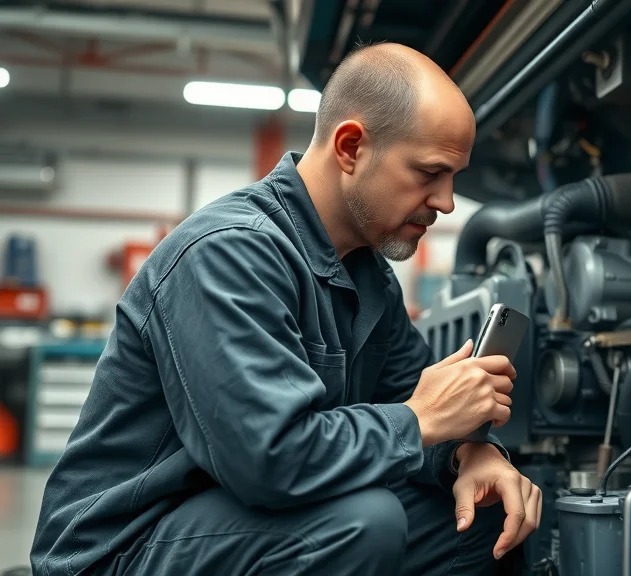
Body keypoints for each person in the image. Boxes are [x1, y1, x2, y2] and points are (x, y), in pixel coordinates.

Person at [30, 42, 541, 575]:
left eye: (454, 177)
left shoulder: (370, 281)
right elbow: (270, 462)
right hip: (121, 548)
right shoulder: (227, 254)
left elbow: (412, 407)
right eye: (430, 173)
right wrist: (421, 420)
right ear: (350, 147)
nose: (447, 201)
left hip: (239, 522)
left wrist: (469, 455)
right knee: (363, 520)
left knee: (481, 520)